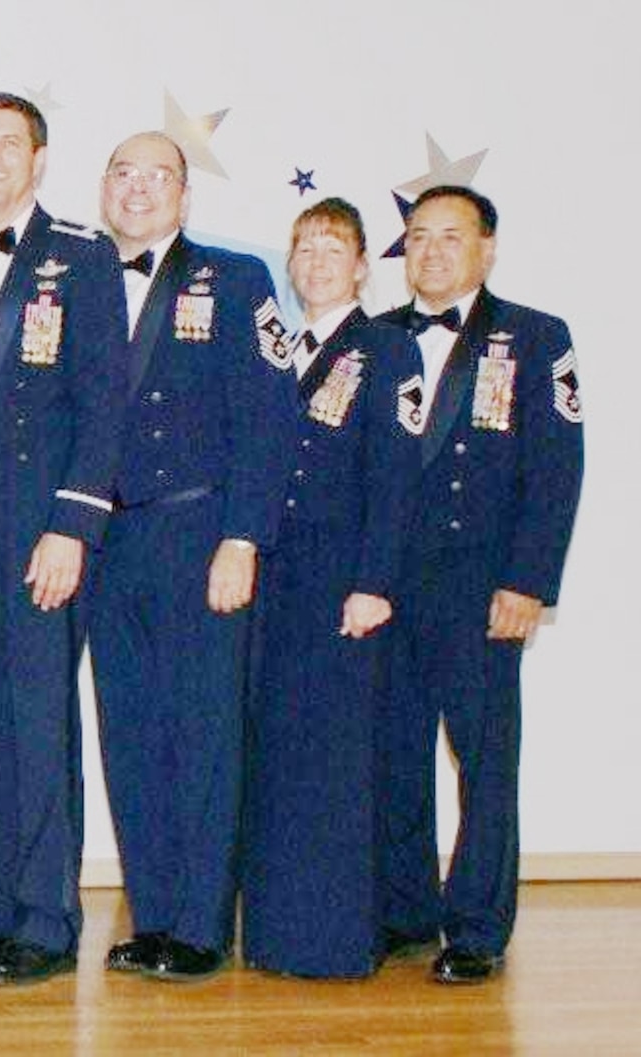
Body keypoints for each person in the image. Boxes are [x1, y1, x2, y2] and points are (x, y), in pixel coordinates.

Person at [88, 131, 295, 982]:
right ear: (104, 188)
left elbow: (268, 417)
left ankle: (203, 924)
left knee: (203, 734)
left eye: (156, 176)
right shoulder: (81, 284)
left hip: (198, 534)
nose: (138, 190)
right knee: (130, 734)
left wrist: (242, 538)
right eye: (123, 174)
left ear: (184, 193)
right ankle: (155, 911)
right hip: (109, 542)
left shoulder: (237, 281)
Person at [0, 93, 127, 986]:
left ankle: (47, 919)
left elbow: (103, 399)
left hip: (36, 517)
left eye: (9, 144)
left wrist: (73, 523)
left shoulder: (81, 257)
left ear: (40, 158)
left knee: (38, 718)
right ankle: (2, 901)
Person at [372, 185, 584, 985]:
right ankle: (404, 909)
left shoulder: (534, 337)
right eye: (418, 236)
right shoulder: (378, 337)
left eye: (451, 237)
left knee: (484, 760)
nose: (431, 252)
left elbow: (556, 468)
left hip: (479, 583)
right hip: (388, 585)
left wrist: (529, 580)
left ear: (487, 248)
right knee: (392, 753)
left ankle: (477, 925)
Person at [240, 197, 423, 980]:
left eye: (332, 249)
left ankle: (337, 935)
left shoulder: (386, 351)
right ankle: (279, 929)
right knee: (277, 752)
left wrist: (375, 581)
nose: (315, 262)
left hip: (341, 579)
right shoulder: (272, 348)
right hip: (274, 578)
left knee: (336, 760)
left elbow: (396, 476)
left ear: (360, 266)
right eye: (304, 247)